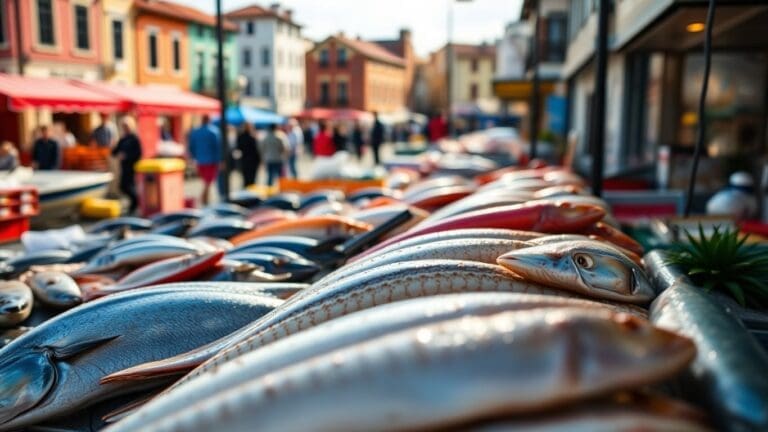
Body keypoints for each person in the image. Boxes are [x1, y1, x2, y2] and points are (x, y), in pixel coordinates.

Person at [188, 115, 222, 206]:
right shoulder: (214, 131)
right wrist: (220, 160)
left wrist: (194, 157)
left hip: (200, 160)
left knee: (206, 182)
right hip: (211, 160)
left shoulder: (196, 132)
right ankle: (203, 199)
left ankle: (206, 200)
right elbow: (218, 147)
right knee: (208, 182)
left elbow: (191, 147)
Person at [112, 117, 142, 214]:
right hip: (124, 166)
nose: (125, 128)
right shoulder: (123, 139)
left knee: (128, 186)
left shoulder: (134, 138)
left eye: (127, 126)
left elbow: (138, 153)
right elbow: (114, 152)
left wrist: (127, 156)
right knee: (123, 186)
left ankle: (135, 203)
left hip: (131, 166)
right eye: (124, 126)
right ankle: (134, 203)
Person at [236, 122, 260, 187]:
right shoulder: (252, 137)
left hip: (244, 160)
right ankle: (251, 194)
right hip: (252, 160)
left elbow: (238, 148)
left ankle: (246, 194)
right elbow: (256, 149)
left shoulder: (240, 137)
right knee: (252, 179)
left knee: (246, 179)